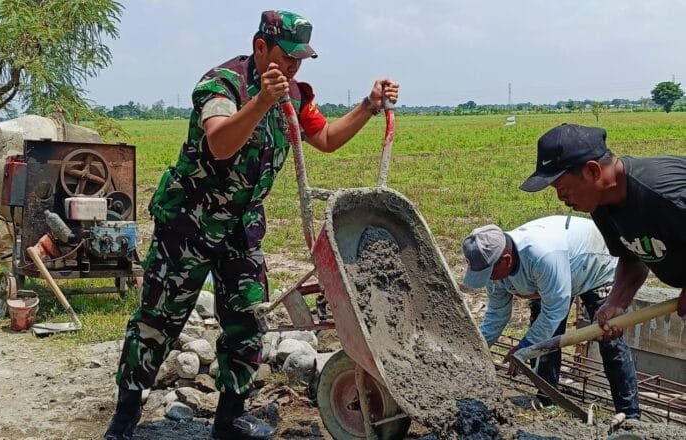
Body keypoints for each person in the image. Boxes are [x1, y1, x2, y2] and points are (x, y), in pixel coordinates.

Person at [104, 10, 399, 440]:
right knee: (158, 321)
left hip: (241, 227)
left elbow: (328, 138)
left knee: (246, 321)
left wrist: (370, 106)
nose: (294, 67)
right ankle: (124, 419)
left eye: (301, 60)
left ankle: (229, 419)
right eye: (287, 56)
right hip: (189, 221)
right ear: (260, 46)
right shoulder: (222, 85)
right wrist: (261, 101)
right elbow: (220, 143)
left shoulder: (293, 95)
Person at [461, 216, 640, 418]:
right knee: (544, 333)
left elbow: (555, 310)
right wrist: (475, 348)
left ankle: (630, 415)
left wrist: (524, 347)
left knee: (609, 337)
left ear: (507, 260)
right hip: (555, 277)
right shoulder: (495, 264)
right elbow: (497, 314)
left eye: (489, 274)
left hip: (596, 264)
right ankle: (547, 399)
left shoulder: (542, 255)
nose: (489, 279)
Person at [519, 123, 686, 335]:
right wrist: (616, 302)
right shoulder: (601, 202)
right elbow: (631, 257)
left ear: (592, 170)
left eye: (561, 187)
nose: (560, 197)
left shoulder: (666, 195)